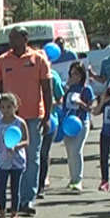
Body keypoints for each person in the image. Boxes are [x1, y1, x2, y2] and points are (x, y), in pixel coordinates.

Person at [0, 26, 53, 217]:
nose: (11, 41)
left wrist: (48, 116)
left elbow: (47, 89)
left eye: (15, 37)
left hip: (33, 115)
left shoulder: (38, 59)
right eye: (10, 38)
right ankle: (14, 200)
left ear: (25, 38)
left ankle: (28, 200)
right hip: (9, 119)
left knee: (31, 157)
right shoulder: (2, 61)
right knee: (9, 157)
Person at [0, 92, 29, 218]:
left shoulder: (20, 123)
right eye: (2, 107)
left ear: (15, 107)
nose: (5, 110)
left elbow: (27, 141)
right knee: (1, 188)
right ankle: (2, 215)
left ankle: (14, 215)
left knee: (15, 188)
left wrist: (17, 146)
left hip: (17, 160)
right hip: (2, 160)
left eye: (8, 107)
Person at [62, 62, 94, 192]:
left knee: (77, 150)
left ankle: (78, 180)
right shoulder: (68, 88)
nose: (74, 76)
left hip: (81, 122)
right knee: (70, 152)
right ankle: (72, 178)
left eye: (76, 73)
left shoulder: (86, 89)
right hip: (67, 123)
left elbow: (90, 108)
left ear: (82, 75)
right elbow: (63, 105)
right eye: (72, 73)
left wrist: (80, 102)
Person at [37, 66, 64, 199]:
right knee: (31, 154)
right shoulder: (28, 74)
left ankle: (41, 185)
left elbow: (60, 98)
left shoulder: (53, 75)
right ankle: (30, 184)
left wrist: (50, 104)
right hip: (32, 118)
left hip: (50, 119)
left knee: (43, 153)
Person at [93, 81, 110, 193]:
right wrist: (102, 101)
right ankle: (104, 180)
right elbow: (95, 112)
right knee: (104, 158)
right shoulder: (106, 101)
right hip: (105, 133)